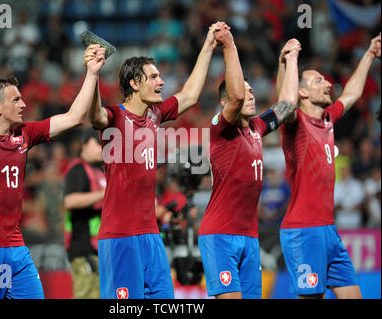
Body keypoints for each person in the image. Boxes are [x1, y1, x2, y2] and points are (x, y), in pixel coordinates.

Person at [0, 39, 106, 299]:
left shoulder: (25, 135)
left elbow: (73, 117)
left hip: (15, 248)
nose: (24, 104)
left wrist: (92, 73)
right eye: (16, 100)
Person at [85, 22, 225, 299]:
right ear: (135, 84)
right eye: (154, 77)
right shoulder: (114, 117)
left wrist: (209, 46)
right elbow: (94, 116)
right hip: (119, 236)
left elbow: (190, 95)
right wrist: (93, 75)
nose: (161, 82)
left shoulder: (155, 115)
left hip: (151, 234)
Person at [276, 33, 381, 299]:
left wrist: (369, 54)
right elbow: (284, 102)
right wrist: (290, 61)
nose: (328, 83)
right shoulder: (294, 123)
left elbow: (353, 93)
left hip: (328, 230)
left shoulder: (326, 119)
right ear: (302, 91)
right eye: (319, 80)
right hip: (303, 230)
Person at [197, 30, 300, 299]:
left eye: (253, 91)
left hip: (250, 236)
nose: (250, 95)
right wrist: (230, 46)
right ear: (225, 102)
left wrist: (290, 61)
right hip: (220, 234)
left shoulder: (257, 127)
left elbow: (288, 105)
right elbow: (236, 98)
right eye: (246, 91)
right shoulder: (220, 129)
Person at [63, 128, 105, 299]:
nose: (103, 148)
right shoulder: (77, 170)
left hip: (97, 247)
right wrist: (104, 193)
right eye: (98, 143)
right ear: (84, 145)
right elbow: (69, 201)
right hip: (82, 246)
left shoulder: (99, 170)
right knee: (86, 294)